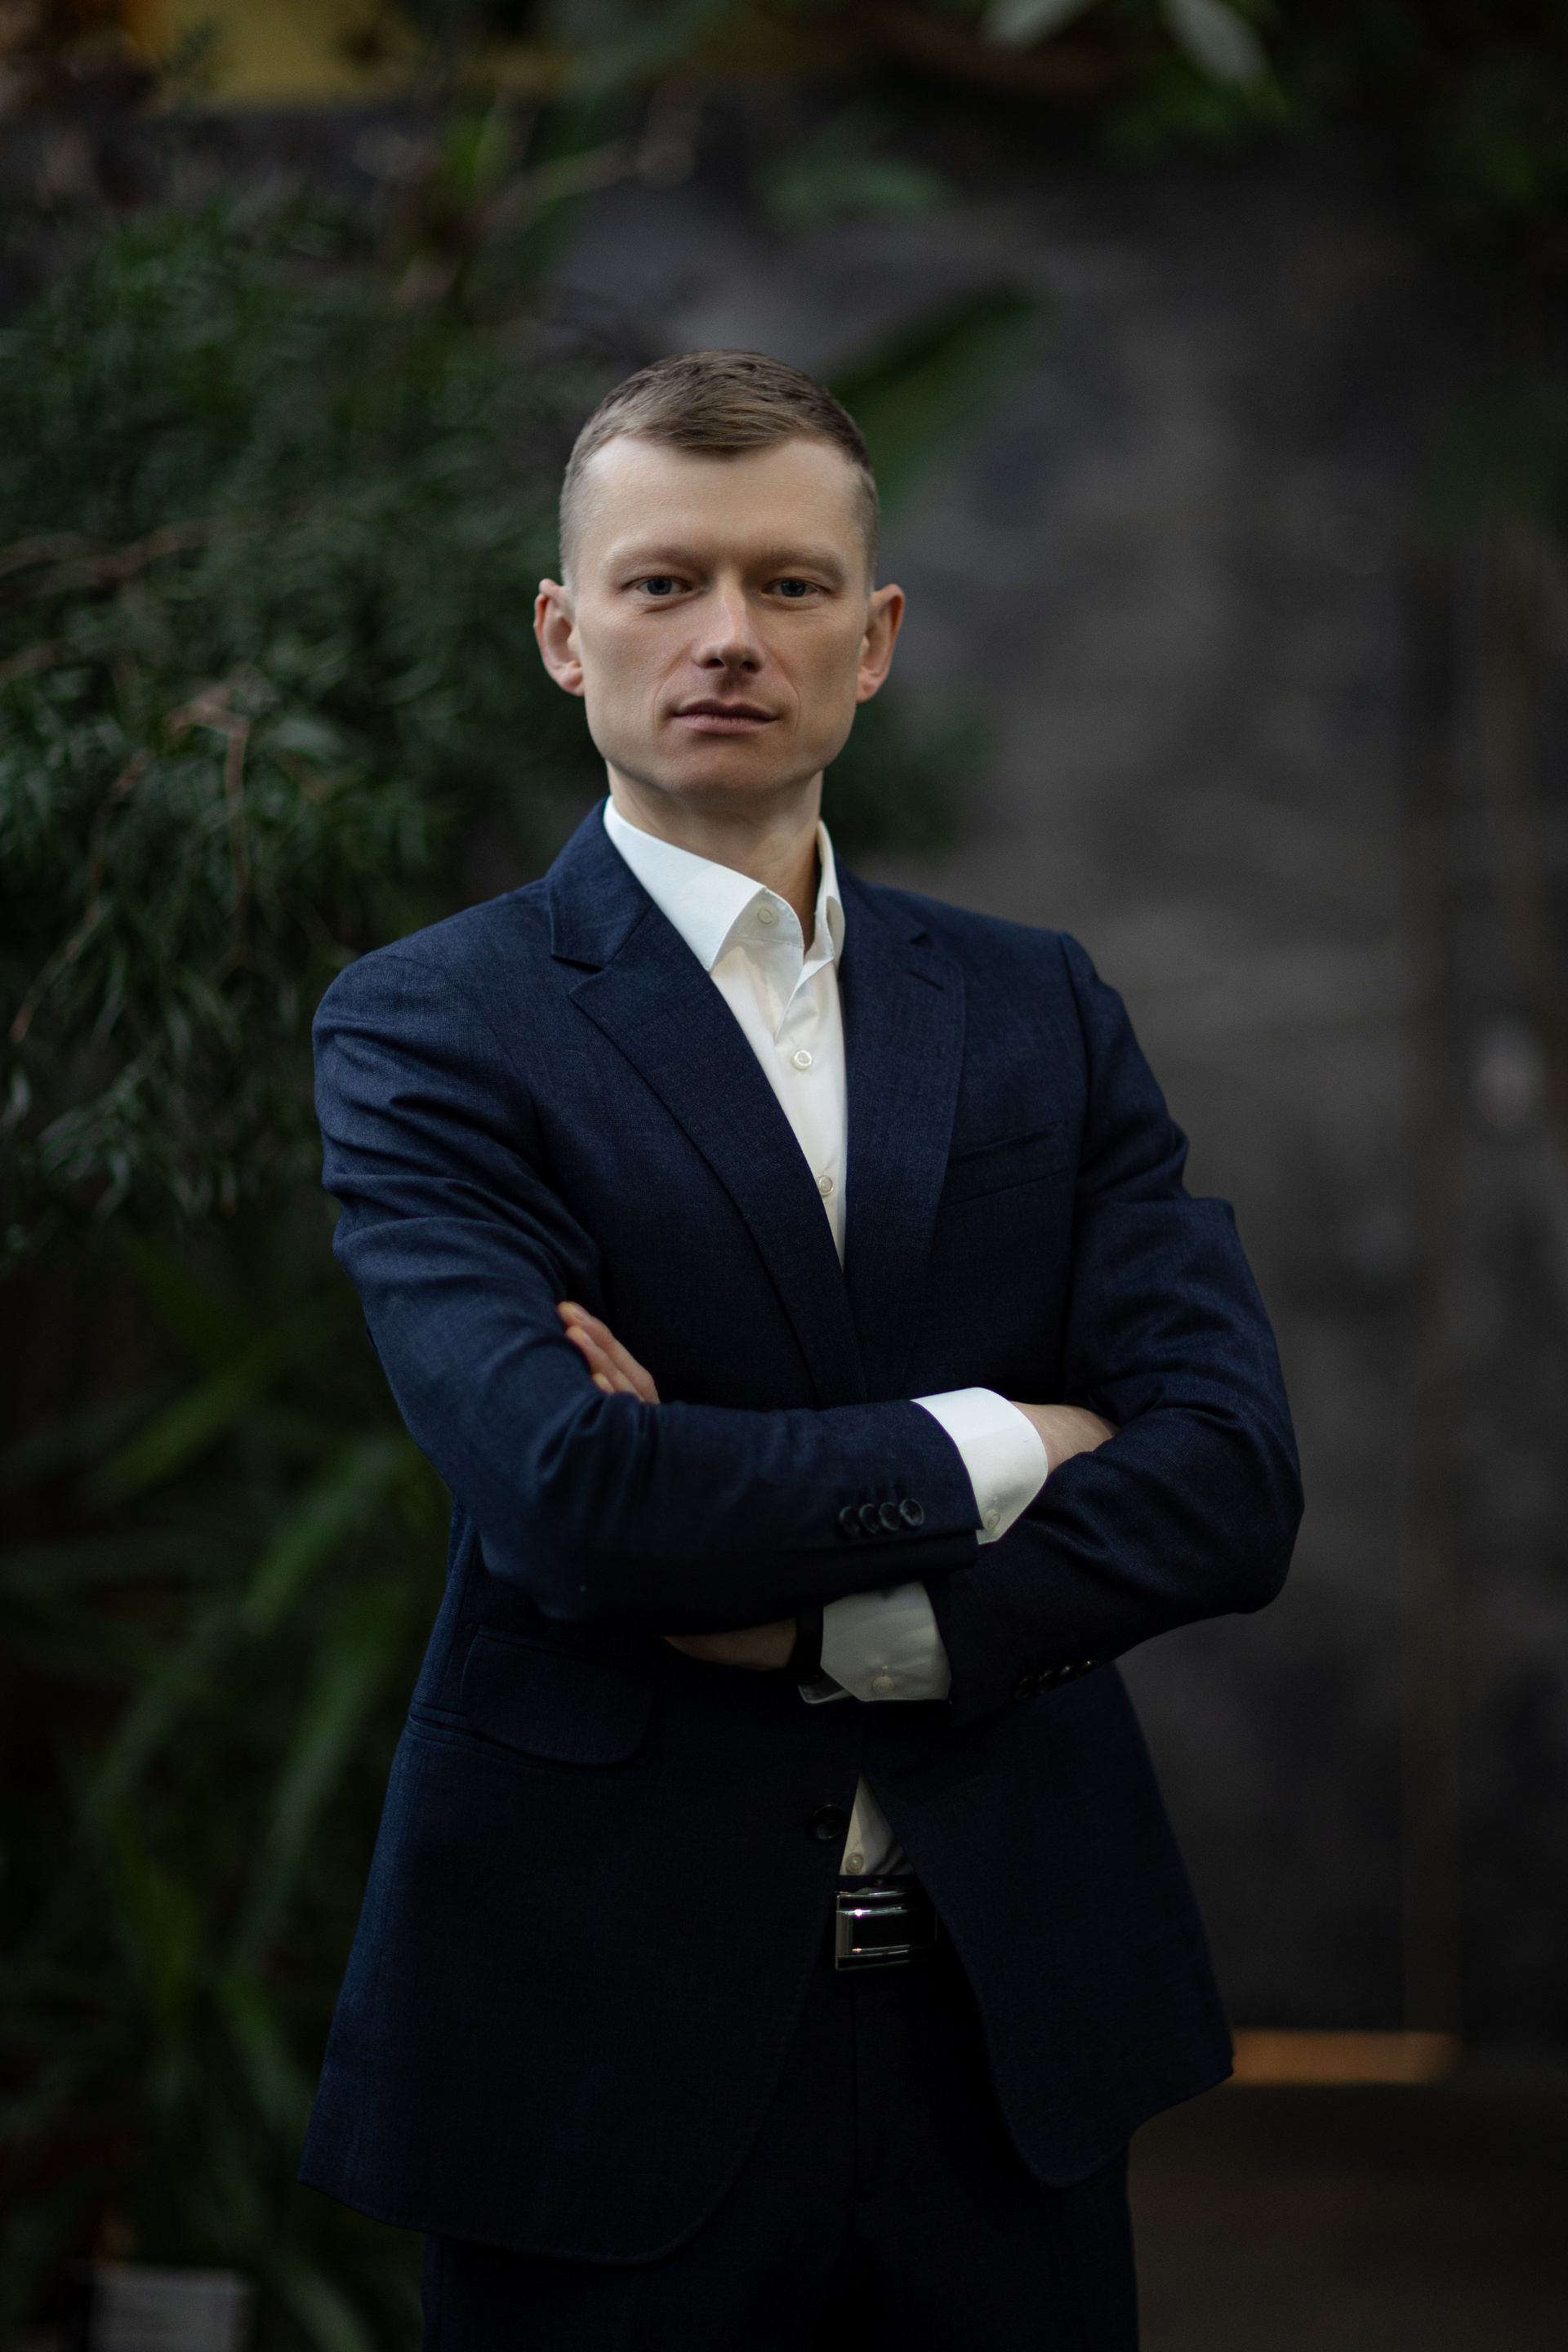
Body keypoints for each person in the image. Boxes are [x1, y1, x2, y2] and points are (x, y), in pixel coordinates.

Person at [300, 350, 1302, 2350]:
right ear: (565, 635)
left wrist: (845, 1622)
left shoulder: (1036, 1008)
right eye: (664, 583)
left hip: (1006, 2020)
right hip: (606, 2021)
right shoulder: (433, 1024)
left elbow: (1231, 1481)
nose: (728, 637)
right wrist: (1016, 1437)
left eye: (789, 584)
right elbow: (576, 1493)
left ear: (877, 636)